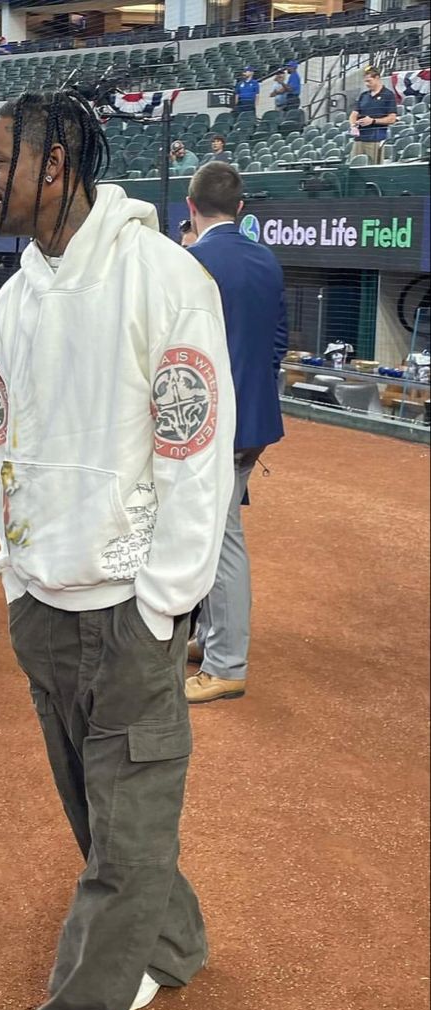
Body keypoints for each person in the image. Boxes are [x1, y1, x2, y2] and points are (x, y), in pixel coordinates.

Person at [0, 88, 235, 1010]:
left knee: (119, 850)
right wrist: (11, 574)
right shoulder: (14, 300)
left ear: (56, 163)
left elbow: (193, 452)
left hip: (128, 619)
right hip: (43, 607)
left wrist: (161, 605)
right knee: (101, 821)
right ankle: (168, 948)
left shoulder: (163, 279)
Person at [185, 163, 287, 703]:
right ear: (240, 208)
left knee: (219, 541)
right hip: (255, 421)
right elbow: (277, 343)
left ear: (190, 205)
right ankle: (207, 637)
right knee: (212, 534)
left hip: (209, 426)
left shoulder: (191, 261)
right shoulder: (266, 259)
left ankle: (227, 663)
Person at [349, 66, 397, 165]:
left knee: (373, 166)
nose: (367, 84)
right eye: (365, 81)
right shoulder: (363, 95)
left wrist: (373, 121)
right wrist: (353, 125)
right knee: (355, 166)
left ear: (377, 78)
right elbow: (353, 114)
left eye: (369, 81)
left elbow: (392, 118)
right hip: (359, 138)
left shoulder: (388, 95)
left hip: (375, 139)